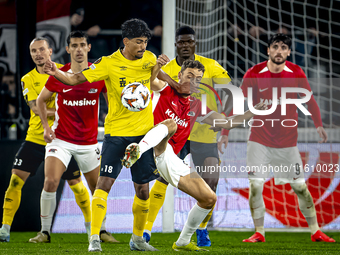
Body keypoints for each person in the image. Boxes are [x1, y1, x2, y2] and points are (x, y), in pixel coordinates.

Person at [42, 19, 191, 252]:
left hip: (143, 137)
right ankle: (94, 238)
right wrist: (54, 73)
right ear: (126, 41)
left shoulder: (150, 58)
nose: (143, 46)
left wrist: (173, 83)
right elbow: (74, 79)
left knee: (142, 189)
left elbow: (157, 80)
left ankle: (138, 239)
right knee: (103, 186)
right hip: (116, 135)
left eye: (145, 42)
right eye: (139, 42)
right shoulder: (108, 64)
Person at [122, 58, 266, 251]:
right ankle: (138, 149)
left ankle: (182, 241)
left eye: (198, 78)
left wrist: (253, 111)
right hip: (151, 147)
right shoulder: (166, 89)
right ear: (179, 75)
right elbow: (152, 79)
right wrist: (158, 65)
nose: (193, 81)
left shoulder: (198, 105)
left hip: (169, 158)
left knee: (209, 199)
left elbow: (226, 122)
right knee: (170, 125)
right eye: (189, 76)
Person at [230, 33, 335, 243]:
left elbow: (310, 100)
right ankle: (259, 232)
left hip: (287, 143)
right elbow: (238, 102)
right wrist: (225, 132)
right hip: (258, 139)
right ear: (268, 50)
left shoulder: (296, 72)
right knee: (256, 186)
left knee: (300, 188)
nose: (279, 51)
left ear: (288, 51)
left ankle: (315, 231)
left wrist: (319, 125)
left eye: (284, 47)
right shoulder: (254, 72)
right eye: (275, 47)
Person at [142, 25, 232, 247]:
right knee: (163, 179)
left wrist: (225, 129)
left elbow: (230, 91)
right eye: (181, 42)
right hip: (177, 133)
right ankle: (146, 230)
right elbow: (152, 82)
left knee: (211, 180)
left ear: (195, 43)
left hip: (204, 131)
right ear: (176, 44)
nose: (185, 45)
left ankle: (201, 230)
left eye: (188, 41)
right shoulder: (169, 67)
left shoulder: (210, 65)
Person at [28, 31, 117, 244]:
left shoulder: (97, 75)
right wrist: (46, 127)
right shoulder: (59, 74)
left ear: (88, 48)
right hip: (61, 140)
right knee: (50, 181)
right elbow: (40, 101)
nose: (78, 49)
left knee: (98, 188)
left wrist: (112, 120)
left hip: (89, 142)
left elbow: (112, 101)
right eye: (74, 45)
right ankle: (45, 232)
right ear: (68, 49)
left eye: (82, 45)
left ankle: (101, 230)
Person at [0, 37, 87, 243]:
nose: (37, 54)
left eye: (41, 50)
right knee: (14, 181)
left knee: (76, 184)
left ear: (50, 51)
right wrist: (61, 110)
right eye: (33, 51)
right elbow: (34, 108)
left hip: (63, 140)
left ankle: (93, 228)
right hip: (35, 138)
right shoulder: (27, 78)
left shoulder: (66, 73)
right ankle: (4, 228)